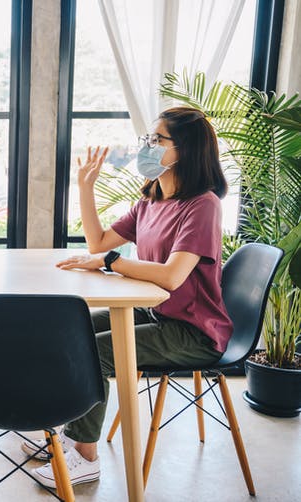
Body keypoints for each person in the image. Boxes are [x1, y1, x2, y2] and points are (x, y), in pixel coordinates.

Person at [23, 106, 233, 488]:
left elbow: (171, 275)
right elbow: (98, 243)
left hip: (194, 331)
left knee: (96, 352)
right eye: (147, 139)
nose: (148, 146)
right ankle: (69, 435)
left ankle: (85, 454)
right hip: (158, 314)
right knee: (74, 329)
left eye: (157, 139)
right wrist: (85, 189)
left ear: (183, 149)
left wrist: (113, 262)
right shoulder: (151, 201)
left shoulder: (202, 205)